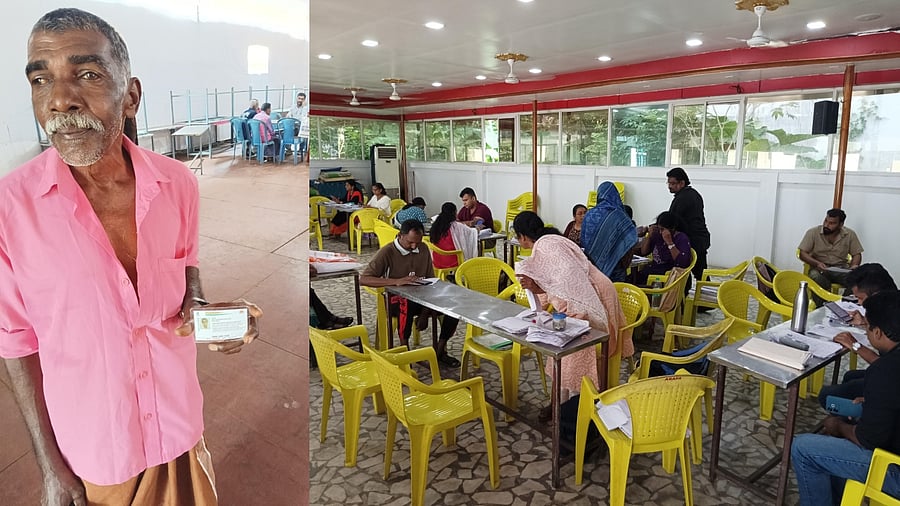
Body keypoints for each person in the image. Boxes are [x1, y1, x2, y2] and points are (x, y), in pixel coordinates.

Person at [1, 9, 261, 505]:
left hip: (178, 425)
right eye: (41, 79)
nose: (59, 99)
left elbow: (187, 271)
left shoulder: (177, 184)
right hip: (97, 452)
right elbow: (14, 345)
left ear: (131, 96)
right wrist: (50, 469)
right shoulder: (9, 210)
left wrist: (205, 312)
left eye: (88, 75)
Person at [514, 211, 627, 420]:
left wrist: (537, 286)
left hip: (592, 298)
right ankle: (565, 405)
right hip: (594, 292)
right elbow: (559, 282)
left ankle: (578, 411)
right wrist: (537, 291)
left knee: (573, 354)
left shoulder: (546, 245)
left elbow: (567, 281)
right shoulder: (552, 240)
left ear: (521, 236)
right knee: (568, 355)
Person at [792, 290, 900, 506]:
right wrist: (875, 405)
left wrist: (838, 426)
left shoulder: (885, 371)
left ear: (877, 332)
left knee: (803, 448)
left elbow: (866, 439)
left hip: (893, 469)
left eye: (868, 328)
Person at [360, 220, 461, 367]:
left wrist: (425, 314)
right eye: (410, 242)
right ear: (400, 235)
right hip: (396, 300)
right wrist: (395, 281)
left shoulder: (423, 249)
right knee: (405, 303)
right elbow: (364, 279)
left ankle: (440, 350)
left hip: (422, 298)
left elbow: (430, 281)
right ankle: (405, 350)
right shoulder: (388, 251)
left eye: (417, 243)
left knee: (453, 306)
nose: (414, 246)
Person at [818, 264, 897, 409]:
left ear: (876, 295)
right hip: (891, 373)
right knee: (850, 376)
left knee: (827, 395)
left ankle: (846, 425)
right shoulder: (891, 305)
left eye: (860, 298)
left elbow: (890, 368)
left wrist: (856, 346)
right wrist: (866, 323)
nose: (859, 303)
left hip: (894, 380)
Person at [581, 182, 638, 282]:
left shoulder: (590, 214)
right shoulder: (620, 216)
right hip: (616, 266)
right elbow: (630, 240)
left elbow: (584, 240)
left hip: (592, 266)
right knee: (614, 294)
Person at [799, 208, 864, 294]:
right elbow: (802, 253)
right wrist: (816, 263)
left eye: (832, 223)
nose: (826, 225)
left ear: (841, 224)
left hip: (840, 269)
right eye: (826, 221)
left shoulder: (850, 234)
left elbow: (857, 254)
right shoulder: (813, 232)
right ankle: (822, 305)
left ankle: (844, 302)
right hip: (819, 269)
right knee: (815, 276)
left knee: (859, 280)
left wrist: (854, 266)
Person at [665, 167, 710, 282]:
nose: (670, 186)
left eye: (673, 183)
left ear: (682, 183)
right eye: (668, 183)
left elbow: (671, 220)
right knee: (699, 272)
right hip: (699, 238)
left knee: (693, 271)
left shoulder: (683, 198)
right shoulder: (693, 194)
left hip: (694, 239)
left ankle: (705, 297)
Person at [636, 211, 692, 286]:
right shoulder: (658, 236)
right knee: (631, 281)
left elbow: (682, 263)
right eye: (659, 229)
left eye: (662, 229)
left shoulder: (681, 238)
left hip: (670, 278)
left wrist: (670, 243)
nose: (660, 232)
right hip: (653, 272)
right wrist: (649, 236)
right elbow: (644, 252)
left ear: (672, 228)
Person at [429, 202, 478, 270]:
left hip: (437, 260)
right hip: (451, 260)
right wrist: (478, 228)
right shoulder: (456, 226)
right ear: (454, 213)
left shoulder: (436, 225)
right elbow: (472, 233)